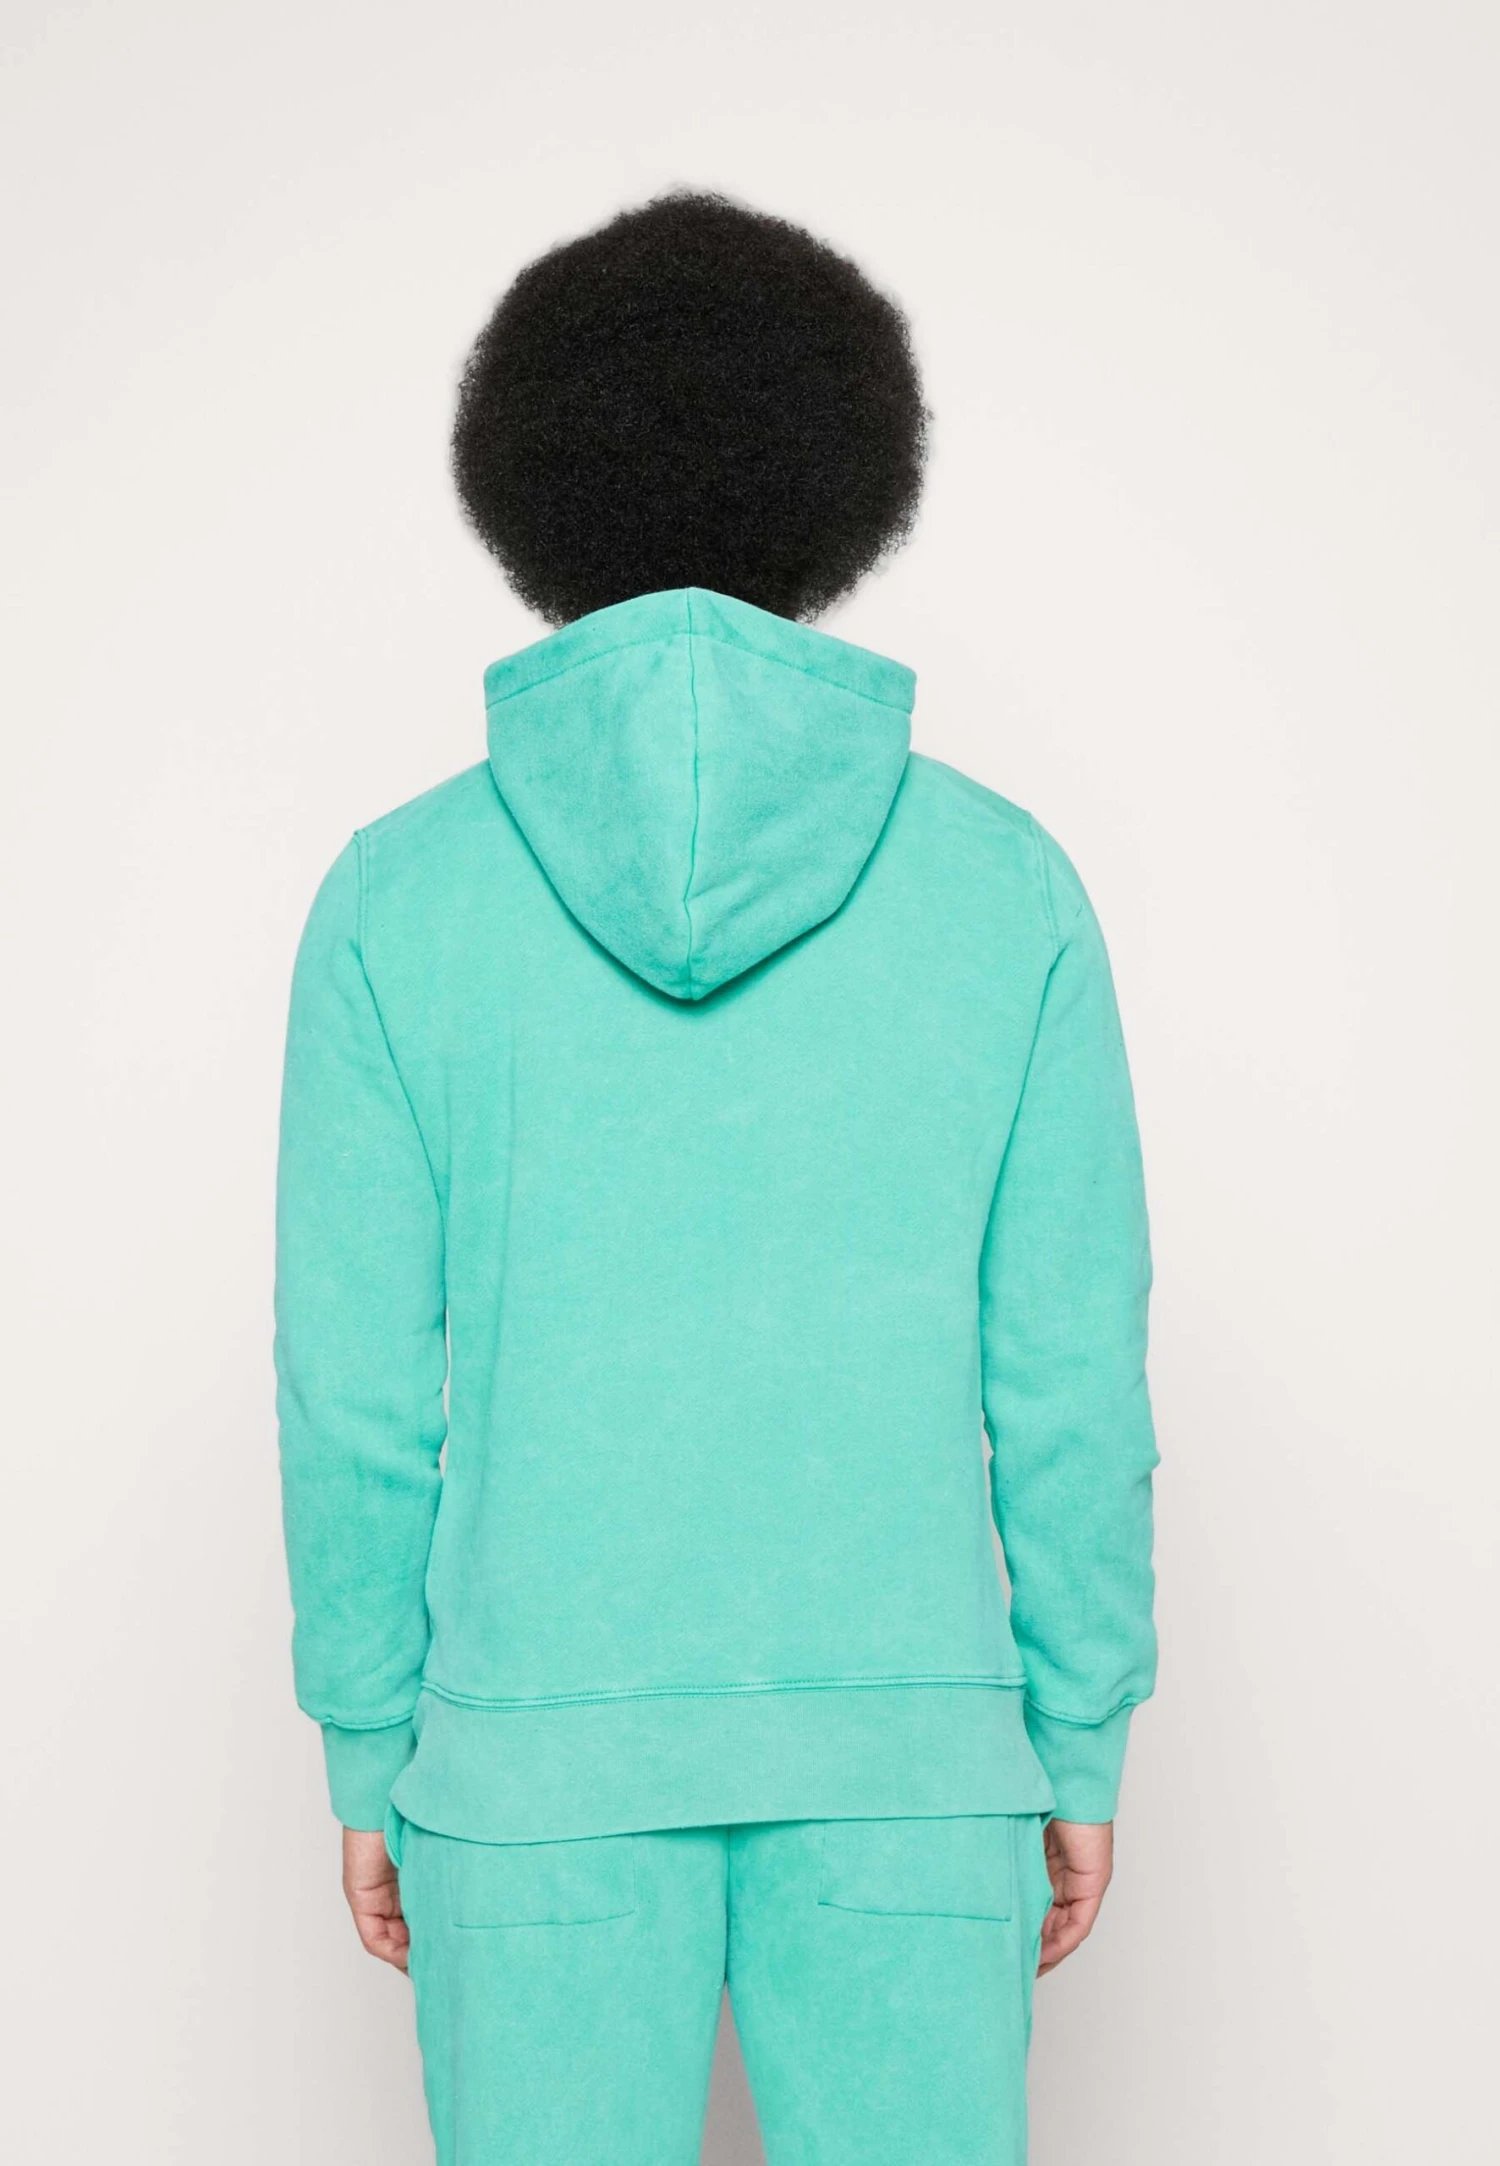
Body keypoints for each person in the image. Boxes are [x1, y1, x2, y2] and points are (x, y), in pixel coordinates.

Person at [274, 188, 1158, 2166]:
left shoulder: (397, 902)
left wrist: (369, 1736)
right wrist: (1079, 1725)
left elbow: (352, 1399)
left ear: (528, 478)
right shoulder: (1002, 888)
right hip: (916, 1768)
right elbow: (1071, 1380)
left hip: (527, 1777)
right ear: (847, 476)